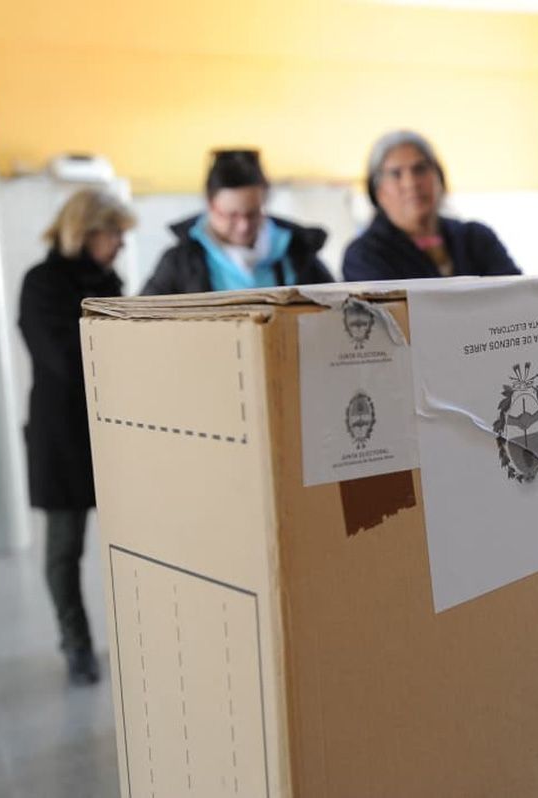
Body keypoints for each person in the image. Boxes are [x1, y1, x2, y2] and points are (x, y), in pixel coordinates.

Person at [19, 188, 136, 685]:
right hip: (62, 433)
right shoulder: (42, 283)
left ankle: (134, 636)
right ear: (87, 231)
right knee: (65, 549)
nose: (121, 245)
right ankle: (76, 643)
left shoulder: (109, 280)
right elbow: (65, 360)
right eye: (115, 234)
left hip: (112, 426)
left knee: (133, 542)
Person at [142, 149, 332, 294]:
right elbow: (142, 321)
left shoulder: (297, 252)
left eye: (252, 214)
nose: (243, 226)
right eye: (231, 215)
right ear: (210, 205)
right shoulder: (180, 262)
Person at [342, 130, 520, 281]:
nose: (411, 183)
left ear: (439, 178)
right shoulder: (364, 256)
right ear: (378, 191)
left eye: (420, 169)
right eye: (396, 174)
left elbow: (520, 301)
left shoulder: (477, 238)